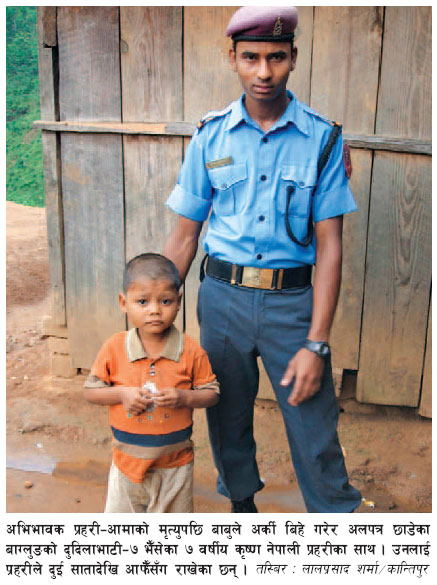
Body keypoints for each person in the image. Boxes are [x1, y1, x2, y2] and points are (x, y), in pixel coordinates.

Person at [163, 6, 361, 513]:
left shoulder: (323, 138)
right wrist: (151, 325)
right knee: (226, 419)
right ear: (232, 58)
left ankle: (337, 523)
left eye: (276, 57)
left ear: (293, 57)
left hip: (292, 306)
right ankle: (243, 513)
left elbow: (330, 246)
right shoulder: (210, 136)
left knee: (314, 429)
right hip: (222, 302)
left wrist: (316, 342)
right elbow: (184, 237)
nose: (264, 71)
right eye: (251, 57)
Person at [83, 253, 219, 513]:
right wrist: (122, 394)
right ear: (124, 303)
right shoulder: (114, 347)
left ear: (179, 302)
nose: (155, 310)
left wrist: (185, 397)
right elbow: (90, 392)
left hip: (175, 466)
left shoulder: (191, 350)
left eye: (165, 301)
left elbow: (212, 394)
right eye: (143, 301)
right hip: (125, 464)